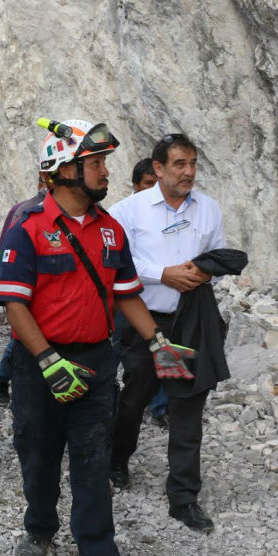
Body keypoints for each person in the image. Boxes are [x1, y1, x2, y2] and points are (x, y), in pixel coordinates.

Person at [0, 118, 195, 556]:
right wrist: (47, 360)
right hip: (39, 367)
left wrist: (157, 341)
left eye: (104, 162)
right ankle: (40, 525)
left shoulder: (111, 229)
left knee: (92, 461)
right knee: (39, 456)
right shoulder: (26, 227)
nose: (106, 172)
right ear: (64, 169)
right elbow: (14, 305)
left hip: (95, 365)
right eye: (97, 163)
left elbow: (126, 293)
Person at [108, 133, 226, 533]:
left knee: (187, 406)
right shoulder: (129, 210)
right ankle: (117, 460)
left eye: (192, 163)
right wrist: (163, 274)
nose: (188, 172)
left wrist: (205, 270)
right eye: (179, 164)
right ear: (158, 169)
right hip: (144, 320)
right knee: (136, 395)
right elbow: (115, 263)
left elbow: (218, 254)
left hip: (189, 322)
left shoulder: (208, 209)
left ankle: (183, 497)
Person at [0, 166, 50, 405]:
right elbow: (4, 250)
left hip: (39, 287)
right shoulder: (25, 211)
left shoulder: (21, 210)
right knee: (20, 337)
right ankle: (3, 375)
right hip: (26, 287)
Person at [124, 157, 167, 427]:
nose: (154, 191)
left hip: (163, 302)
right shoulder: (123, 215)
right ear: (136, 186)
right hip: (128, 302)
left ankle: (161, 408)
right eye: (148, 184)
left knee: (165, 355)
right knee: (135, 365)